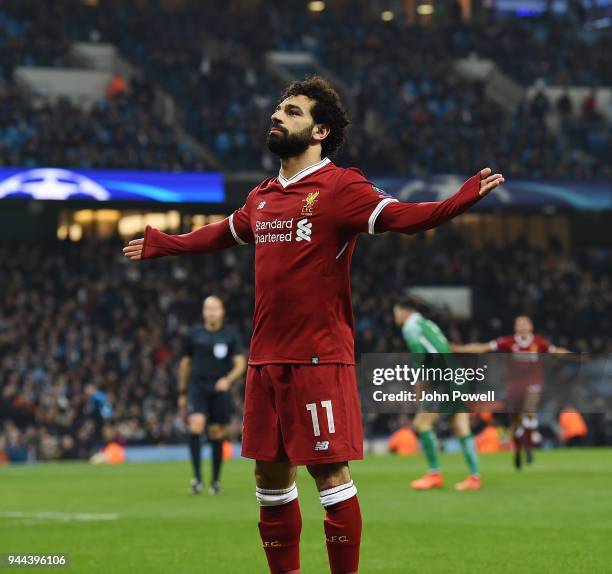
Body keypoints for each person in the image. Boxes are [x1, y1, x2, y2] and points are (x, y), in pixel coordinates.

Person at [124, 76, 504, 574]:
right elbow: (222, 233)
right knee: (269, 477)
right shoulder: (261, 197)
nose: (277, 116)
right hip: (264, 360)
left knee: (329, 473)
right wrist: (164, 243)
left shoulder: (341, 186)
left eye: (292, 112)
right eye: (278, 110)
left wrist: (459, 200)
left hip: (318, 357)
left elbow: (407, 217)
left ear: (320, 130)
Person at [452, 315, 570, 470]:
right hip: (513, 385)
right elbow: (483, 347)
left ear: (531, 327)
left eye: (526, 324)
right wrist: (460, 349)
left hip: (532, 383)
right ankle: (518, 449)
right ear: (516, 328)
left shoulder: (539, 343)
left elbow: (555, 351)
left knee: (529, 409)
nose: (523, 327)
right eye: (520, 324)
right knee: (515, 422)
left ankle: (528, 445)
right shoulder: (508, 342)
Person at [393, 298, 481, 491]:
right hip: (457, 376)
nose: (395, 316)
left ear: (403, 311)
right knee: (460, 426)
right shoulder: (428, 324)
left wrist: (419, 388)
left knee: (421, 423)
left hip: (445, 380)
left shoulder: (410, 327)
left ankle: (434, 474)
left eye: (396, 312)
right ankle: (475, 478)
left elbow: (420, 358)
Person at [179, 295, 246, 495]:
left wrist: (228, 379)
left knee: (217, 432)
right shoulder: (193, 335)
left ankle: (215, 481)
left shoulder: (230, 335)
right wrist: (182, 391)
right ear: (203, 312)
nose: (211, 312)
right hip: (197, 387)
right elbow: (185, 364)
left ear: (222, 311)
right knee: (196, 425)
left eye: (215, 308)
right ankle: (197, 478)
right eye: (208, 308)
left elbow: (240, 364)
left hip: (220, 389)